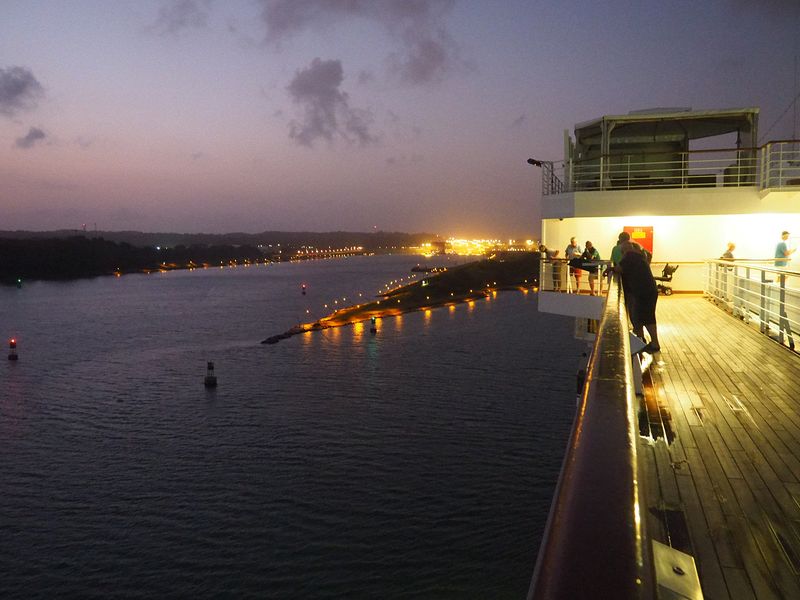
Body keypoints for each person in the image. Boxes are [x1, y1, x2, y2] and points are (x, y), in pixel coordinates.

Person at [605, 241, 660, 354]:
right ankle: (645, 342)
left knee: (642, 317)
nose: (623, 252)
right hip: (648, 290)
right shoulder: (640, 255)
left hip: (642, 291)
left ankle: (651, 343)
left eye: (623, 250)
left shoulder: (630, 256)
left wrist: (611, 269)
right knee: (646, 317)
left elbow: (620, 269)